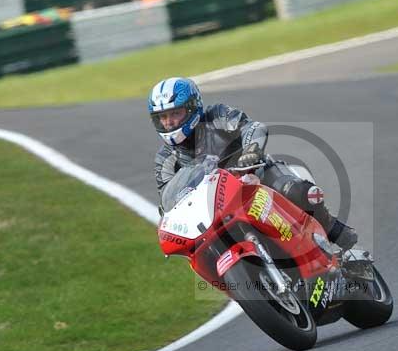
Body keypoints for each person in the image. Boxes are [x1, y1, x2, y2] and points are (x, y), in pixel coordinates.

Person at [150, 76, 358, 250]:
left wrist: (251, 151)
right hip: (216, 209)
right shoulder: (165, 159)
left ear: (192, 108)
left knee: (299, 192)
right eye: (163, 117)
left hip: (257, 177)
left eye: (175, 114)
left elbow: (252, 127)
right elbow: (169, 201)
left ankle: (334, 230)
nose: (169, 122)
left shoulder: (216, 116)